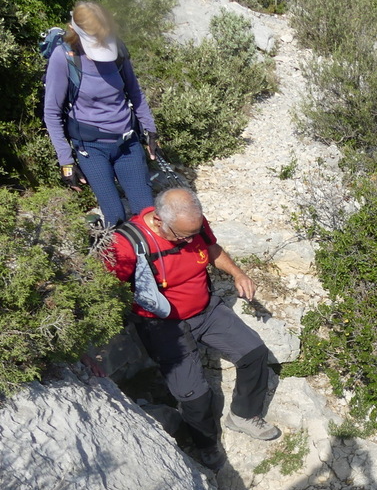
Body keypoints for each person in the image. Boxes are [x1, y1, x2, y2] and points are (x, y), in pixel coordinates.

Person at [106, 188, 280, 469]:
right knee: (194, 396)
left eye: (192, 234)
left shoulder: (192, 223)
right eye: (182, 236)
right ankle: (206, 444)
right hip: (163, 324)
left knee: (254, 352)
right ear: (160, 221)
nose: (189, 240)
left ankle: (243, 415)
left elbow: (211, 249)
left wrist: (238, 273)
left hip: (206, 308)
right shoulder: (127, 244)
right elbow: (105, 290)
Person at [43, 1, 158, 227]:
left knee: (147, 215)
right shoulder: (63, 57)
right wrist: (66, 161)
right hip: (91, 148)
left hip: (127, 142)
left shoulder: (118, 50)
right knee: (114, 216)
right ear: (74, 30)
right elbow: (52, 113)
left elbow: (135, 92)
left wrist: (151, 131)